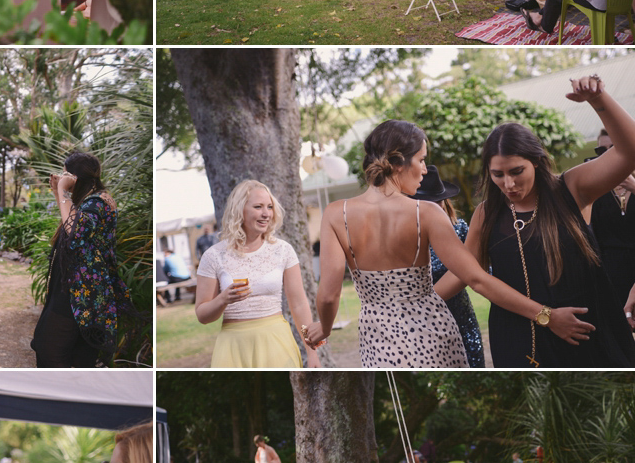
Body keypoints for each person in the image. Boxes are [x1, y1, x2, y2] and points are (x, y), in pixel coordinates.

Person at [304, 119, 599, 367]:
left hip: (377, 338)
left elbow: (328, 296)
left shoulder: (334, 214)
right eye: (421, 160)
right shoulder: (426, 213)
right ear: (398, 163)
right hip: (433, 335)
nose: (423, 169)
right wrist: (545, 315)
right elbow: (477, 278)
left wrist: (324, 328)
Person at [433, 78, 635, 366]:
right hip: (518, 337)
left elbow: (629, 152)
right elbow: (466, 272)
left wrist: (598, 99)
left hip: (582, 332)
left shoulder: (572, 188)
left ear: (537, 161)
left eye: (517, 171)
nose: (509, 183)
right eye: (498, 174)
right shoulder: (486, 213)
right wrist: (416, 303)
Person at [196, 179, 321, 368]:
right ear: (240, 210)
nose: (266, 214)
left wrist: (312, 353)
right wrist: (222, 299)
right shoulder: (213, 255)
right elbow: (202, 316)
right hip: (233, 346)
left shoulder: (283, 250)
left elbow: (299, 305)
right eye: (258, 207)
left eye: (269, 207)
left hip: (276, 342)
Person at [31, 152, 134, 367]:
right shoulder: (91, 201)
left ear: (75, 177)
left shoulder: (98, 202)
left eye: (65, 172)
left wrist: (62, 191)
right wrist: (59, 192)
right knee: (71, 353)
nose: (61, 177)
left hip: (80, 293)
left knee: (51, 349)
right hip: (79, 289)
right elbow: (74, 227)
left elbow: (75, 233)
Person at [410, 165, 485, 368]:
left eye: (438, 201)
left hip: (461, 320)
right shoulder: (405, 239)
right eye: (427, 203)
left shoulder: (459, 229)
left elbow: (482, 272)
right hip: (421, 323)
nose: (434, 208)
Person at [589, 128, 635, 308]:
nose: (608, 155)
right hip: (610, 273)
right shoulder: (595, 190)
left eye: (614, 147)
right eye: (601, 151)